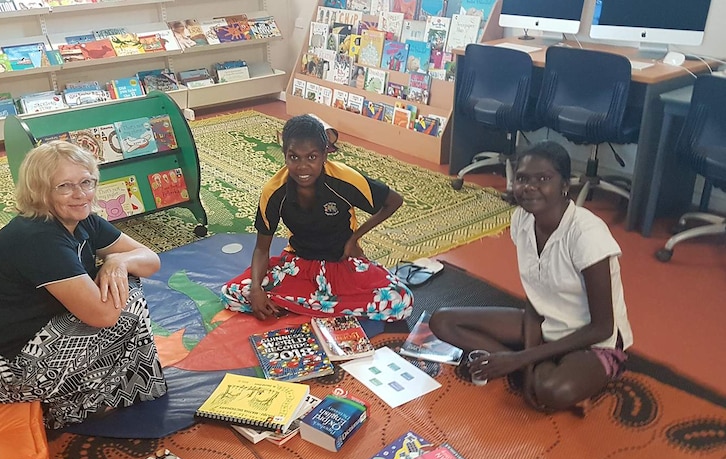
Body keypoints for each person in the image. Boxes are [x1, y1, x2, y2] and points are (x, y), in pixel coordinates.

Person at [0, 141, 167, 429]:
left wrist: (117, 262)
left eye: (86, 182)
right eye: (64, 186)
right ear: (39, 192)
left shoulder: (83, 221)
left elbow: (150, 260)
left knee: (124, 280)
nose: (81, 194)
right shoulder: (39, 238)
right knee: (125, 303)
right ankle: (74, 405)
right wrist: (118, 269)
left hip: (31, 343)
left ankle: (122, 386)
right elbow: (103, 316)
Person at [429, 141, 633, 412]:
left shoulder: (586, 234)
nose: (530, 186)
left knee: (551, 391)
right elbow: (536, 298)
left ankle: (542, 370)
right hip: (548, 324)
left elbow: (603, 327)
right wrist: (526, 360)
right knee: (442, 321)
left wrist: (523, 358)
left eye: (544, 178)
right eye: (523, 178)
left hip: (592, 340)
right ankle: (534, 368)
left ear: (565, 185)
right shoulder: (522, 221)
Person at [221, 114, 413, 322]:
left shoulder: (345, 180)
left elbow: (394, 201)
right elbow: (261, 248)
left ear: (324, 155)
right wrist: (257, 289)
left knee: (401, 301)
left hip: (342, 264)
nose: (302, 167)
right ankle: (321, 307)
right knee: (231, 293)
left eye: (311, 157)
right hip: (299, 266)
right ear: (285, 155)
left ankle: (300, 306)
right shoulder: (274, 191)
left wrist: (354, 238)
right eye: (294, 157)